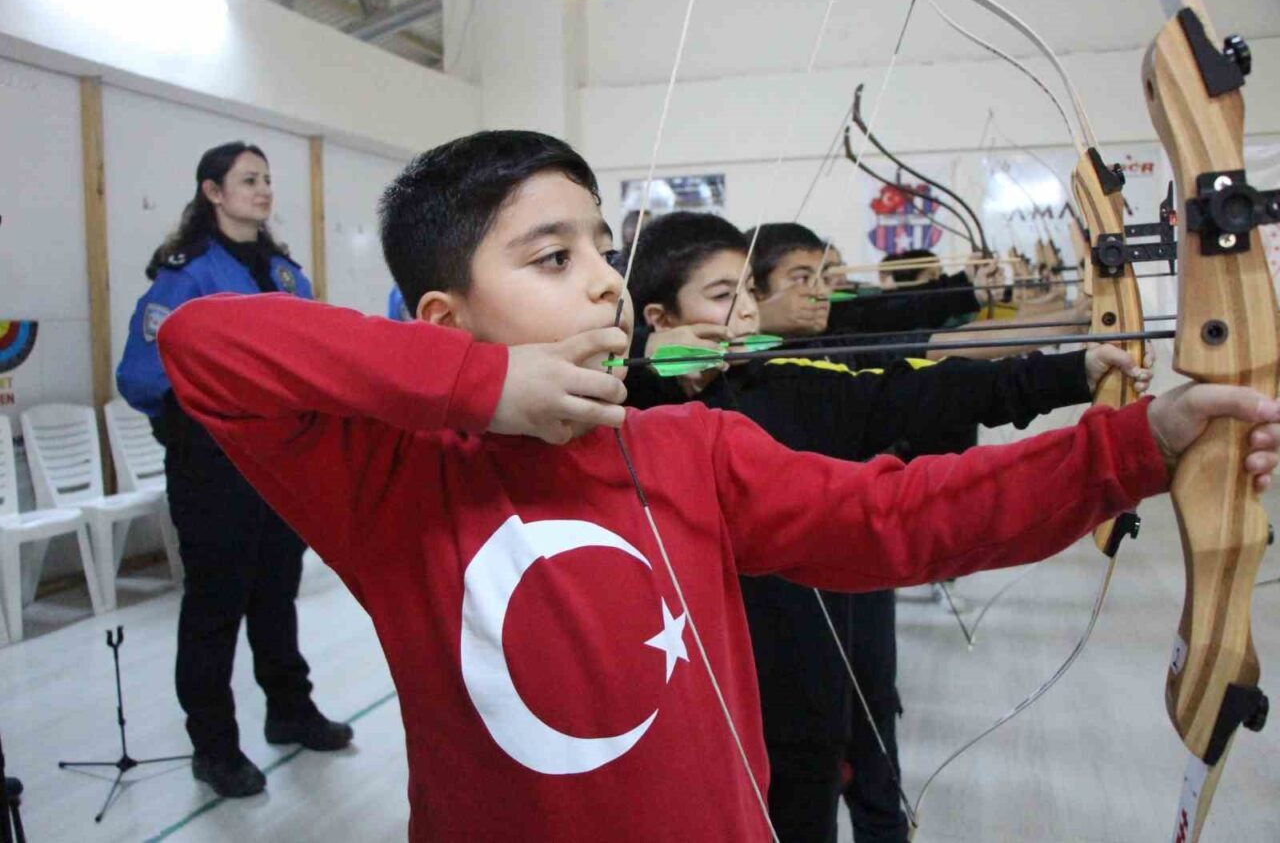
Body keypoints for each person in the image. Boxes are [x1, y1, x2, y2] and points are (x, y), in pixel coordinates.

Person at [153, 130, 1280, 843]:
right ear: (446, 320)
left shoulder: (691, 450)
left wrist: (1137, 442)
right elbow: (204, 343)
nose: (601, 278)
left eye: (600, 245)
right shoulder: (393, 482)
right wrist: (480, 387)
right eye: (551, 259)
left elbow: (899, 518)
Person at [622, 210, 1150, 843]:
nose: (745, 313)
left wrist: (1070, 372)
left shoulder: (782, 383)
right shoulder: (607, 409)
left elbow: (910, 388)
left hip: (799, 700)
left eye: (747, 294)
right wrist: (640, 364)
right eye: (720, 296)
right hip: (682, 703)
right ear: (659, 318)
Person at [116, 141, 353, 799]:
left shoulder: (282, 273)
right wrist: (198, 426)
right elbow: (140, 376)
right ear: (212, 192)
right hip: (213, 467)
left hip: (281, 462)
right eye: (249, 180)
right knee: (215, 606)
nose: (265, 189)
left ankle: (290, 709)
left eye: (268, 179)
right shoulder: (185, 276)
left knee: (276, 593)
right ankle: (214, 746)